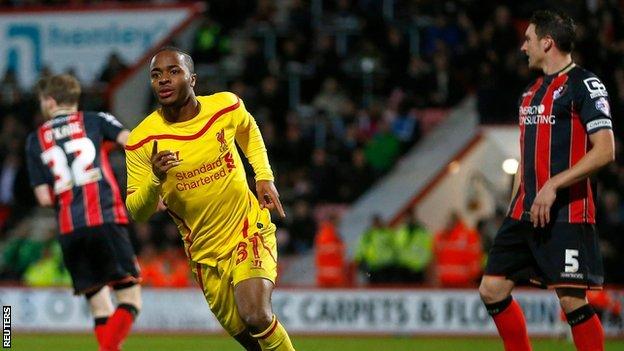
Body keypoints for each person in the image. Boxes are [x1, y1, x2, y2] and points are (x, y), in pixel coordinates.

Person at [124, 47, 295, 351]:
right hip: (204, 256)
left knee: (255, 314)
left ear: (192, 78)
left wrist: (264, 176)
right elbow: (137, 210)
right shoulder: (142, 140)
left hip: (248, 230)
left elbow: (248, 129)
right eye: (156, 74)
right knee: (251, 340)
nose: (164, 79)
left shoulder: (225, 107)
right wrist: (155, 180)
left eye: (173, 71)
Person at [478, 11, 615, 351]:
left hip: (567, 214)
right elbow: (526, 159)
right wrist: (513, 209)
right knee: (491, 290)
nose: (523, 46)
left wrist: (553, 185)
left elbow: (605, 151)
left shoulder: (585, 84)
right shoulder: (530, 93)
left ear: (547, 42)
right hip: (524, 213)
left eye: (528, 39)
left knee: (571, 302)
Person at [25, 74, 141, 351]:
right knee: (130, 300)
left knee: (100, 306)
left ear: (50, 101)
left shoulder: (35, 139)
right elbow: (132, 142)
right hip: (105, 219)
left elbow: (43, 198)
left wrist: (69, 197)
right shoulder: (95, 119)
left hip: (69, 229)